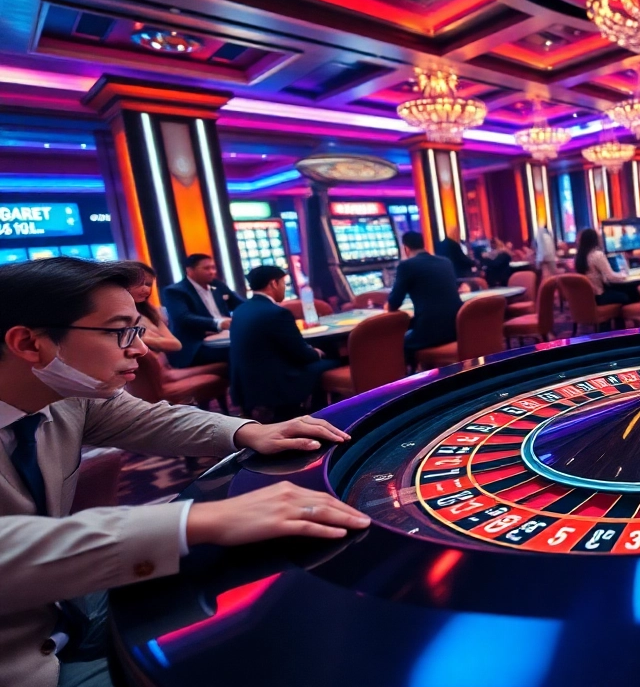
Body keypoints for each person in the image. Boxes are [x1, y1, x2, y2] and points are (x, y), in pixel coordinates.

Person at [0, 257, 367, 687]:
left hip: (64, 602)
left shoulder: (65, 396)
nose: (140, 348)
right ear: (28, 343)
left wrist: (251, 430)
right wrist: (196, 518)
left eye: (137, 330)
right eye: (120, 331)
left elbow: (151, 419)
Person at [228, 266, 341, 420]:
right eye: (283, 283)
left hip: (247, 383)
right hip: (278, 381)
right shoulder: (277, 312)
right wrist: (316, 352)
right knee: (336, 361)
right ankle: (325, 413)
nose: (284, 288)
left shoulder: (240, 310)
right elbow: (302, 355)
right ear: (273, 283)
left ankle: (317, 411)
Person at [389, 231, 463, 360]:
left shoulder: (406, 266)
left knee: (393, 343)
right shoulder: (445, 262)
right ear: (424, 245)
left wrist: (387, 305)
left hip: (430, 333)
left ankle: (411, 378)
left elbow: (394, 304)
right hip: (456, 328)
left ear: (405, 248)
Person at [161, 254, 244, 368]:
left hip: (223, 336)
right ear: (189, 270)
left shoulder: (218, 285)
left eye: (213, 267)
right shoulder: (175, 291)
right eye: (206, 268)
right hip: (195, 345)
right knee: (241, 349)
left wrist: (262, 305)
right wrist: (217, 323)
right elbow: (184, 318)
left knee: (255, 342)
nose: (212, 272)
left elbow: (240, 305)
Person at [574, 228, 638, 306]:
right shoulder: (597, 255)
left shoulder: (579, 257)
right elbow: (611, 277)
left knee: (625, 290)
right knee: (631, 293)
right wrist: (624, 275)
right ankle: (628, 315)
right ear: (595, 240)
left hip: (588, 297)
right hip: (600, 296)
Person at [128, 262, 180, 354]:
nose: (146, 289)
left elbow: (176, 345)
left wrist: (146, 339)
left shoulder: (149, 312)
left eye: (149, 284)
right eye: (140, 283)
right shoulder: (116, 315)